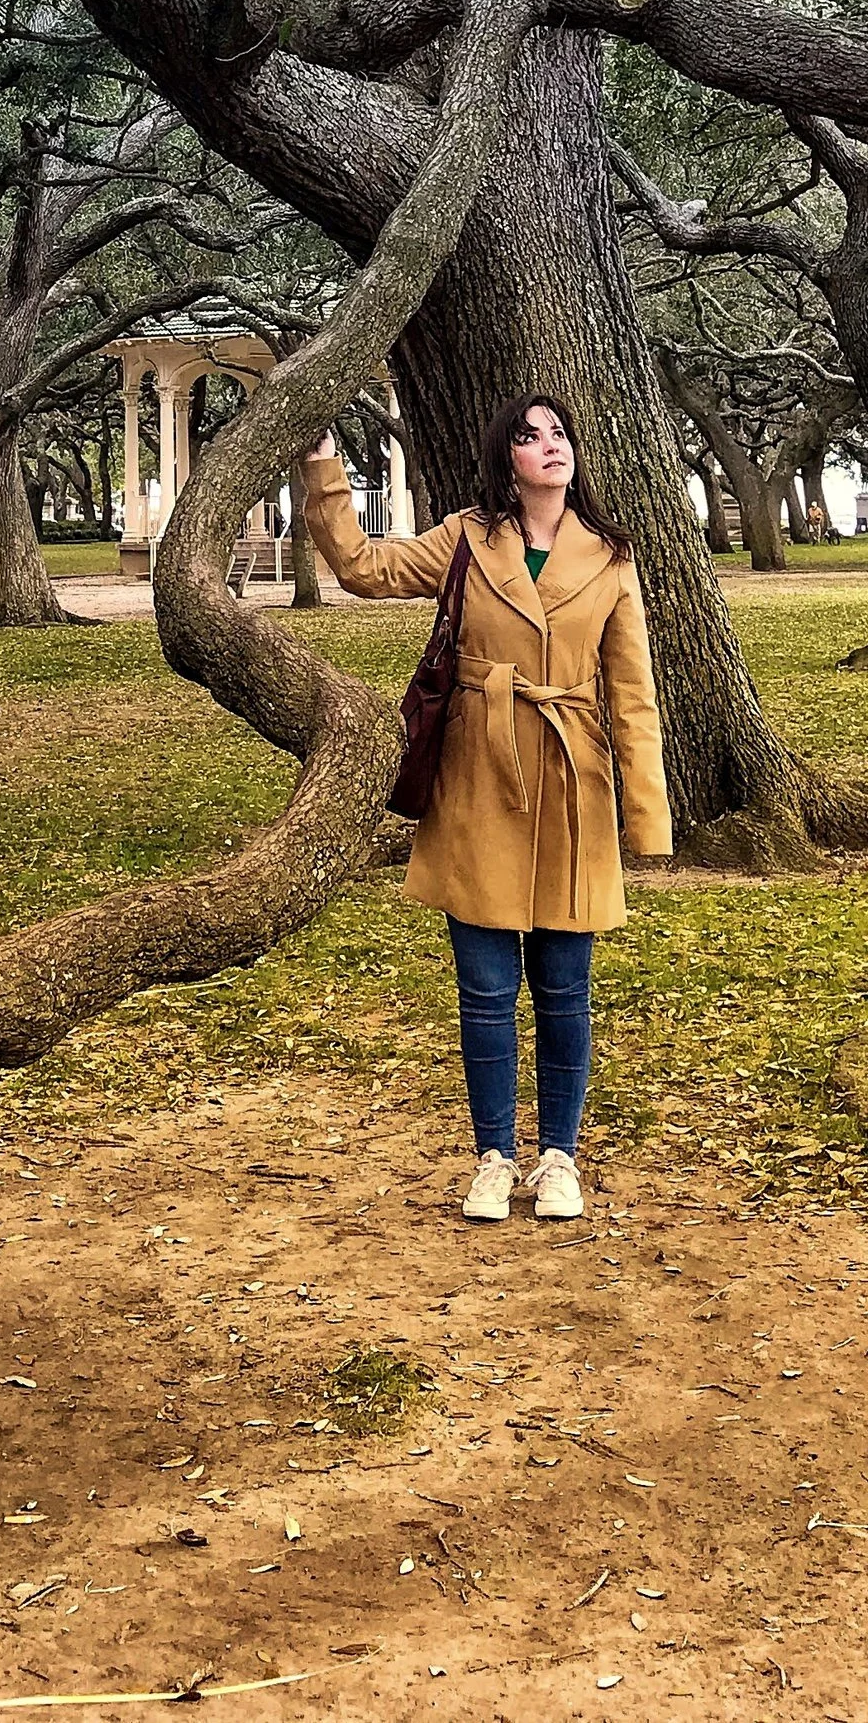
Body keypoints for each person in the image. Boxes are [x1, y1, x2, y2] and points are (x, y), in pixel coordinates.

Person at [305, 396, 671, 1224]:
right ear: (504, 456)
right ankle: (494, 1157)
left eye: (560, 433)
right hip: (476, 776)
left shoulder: (613, 556)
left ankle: (561, 1158)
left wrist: (647, 816)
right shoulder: (468, 537)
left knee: (565, 986)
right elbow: (364, 567)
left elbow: (635, 695)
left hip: (573, 781)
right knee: (483, 985)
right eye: (529, 435)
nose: (550, 446)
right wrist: (324, 463)